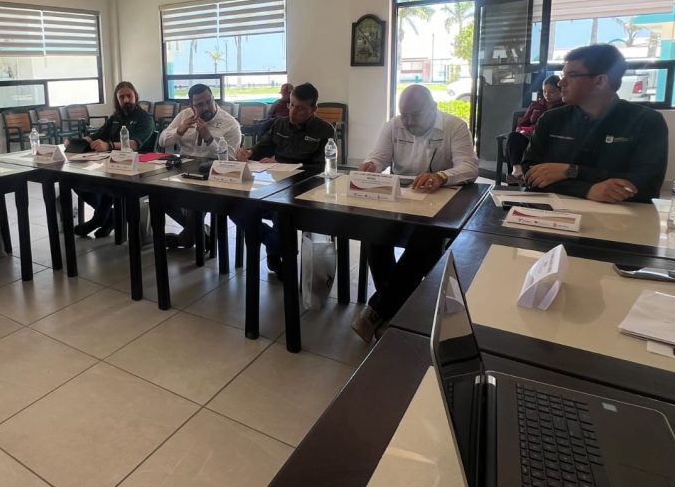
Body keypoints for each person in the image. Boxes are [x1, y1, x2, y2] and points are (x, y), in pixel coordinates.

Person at [351, 84, 479, 343]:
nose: (408, 122)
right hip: (402, 200)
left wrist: (441, 176)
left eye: (415, 115)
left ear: (433, 108)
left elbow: (469, 167)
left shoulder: (454, 126)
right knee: (374, 234)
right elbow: (379, 157)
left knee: (425, 242)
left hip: (441, 202)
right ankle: (394, 310)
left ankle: (380, 308)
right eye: (404, 115)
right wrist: (371, 165)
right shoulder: (394, 125)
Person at [522, 43, 668, 203]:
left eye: (571, 75)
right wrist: (586, 190)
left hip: (621, 213)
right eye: (563, 75)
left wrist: (572, 171)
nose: (561, 83)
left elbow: (647, 186)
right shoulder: (551, 119)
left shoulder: (646, 121)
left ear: (600, 81)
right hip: (556, 210)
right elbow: (530, 174)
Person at [232, 82, 335, 273]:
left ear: (314, 109)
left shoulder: (324, 130)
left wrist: (281, 163)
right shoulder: (279, 124)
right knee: (235, 205)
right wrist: (248, 153)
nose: (294, 111)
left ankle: (279, 254)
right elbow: (262, 148)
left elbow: (320, 169)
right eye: (291, 105)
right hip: (274, 184)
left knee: (281, 213)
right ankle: (276, 246)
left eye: (301, 108)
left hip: (302, 189)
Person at [158, 83, 241, 247]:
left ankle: (187, 238)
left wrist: (209, 138)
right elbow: (162, 140)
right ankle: (201, 234)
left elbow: (230, 161)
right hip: (183, 170)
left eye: (209, 101)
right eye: (199, 105)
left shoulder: (230, 124)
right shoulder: (185, 115)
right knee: (158, 194)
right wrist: (179, 131)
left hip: (211, 174)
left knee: (199, 196)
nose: (206, 107)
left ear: (214, 99)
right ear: (191, 105)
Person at [73, 81, 156, 237]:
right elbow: (97, 135)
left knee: (108, 183)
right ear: (117, 100)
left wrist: (109, 145)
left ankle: (99, 218)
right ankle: (109, 216)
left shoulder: (145, 118)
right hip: (111, 164)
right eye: (121, 97)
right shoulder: (116, 117)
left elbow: (134, 144)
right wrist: (76, 142)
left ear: (135, 96)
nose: (126, 100)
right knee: (76, 180)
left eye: (129, 96)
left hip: (138, 169)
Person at [506, 75, 563, 179]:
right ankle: (517, 172)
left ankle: (529, 177)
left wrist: (532, 131)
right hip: (528, 139)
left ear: (561, 91)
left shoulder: (565, 108)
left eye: (552, 91)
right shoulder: (536, 105)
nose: (547, 95)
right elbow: (522, 124)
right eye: (544, 91)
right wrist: (521, 131)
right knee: (514, 136)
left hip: (548, 141)